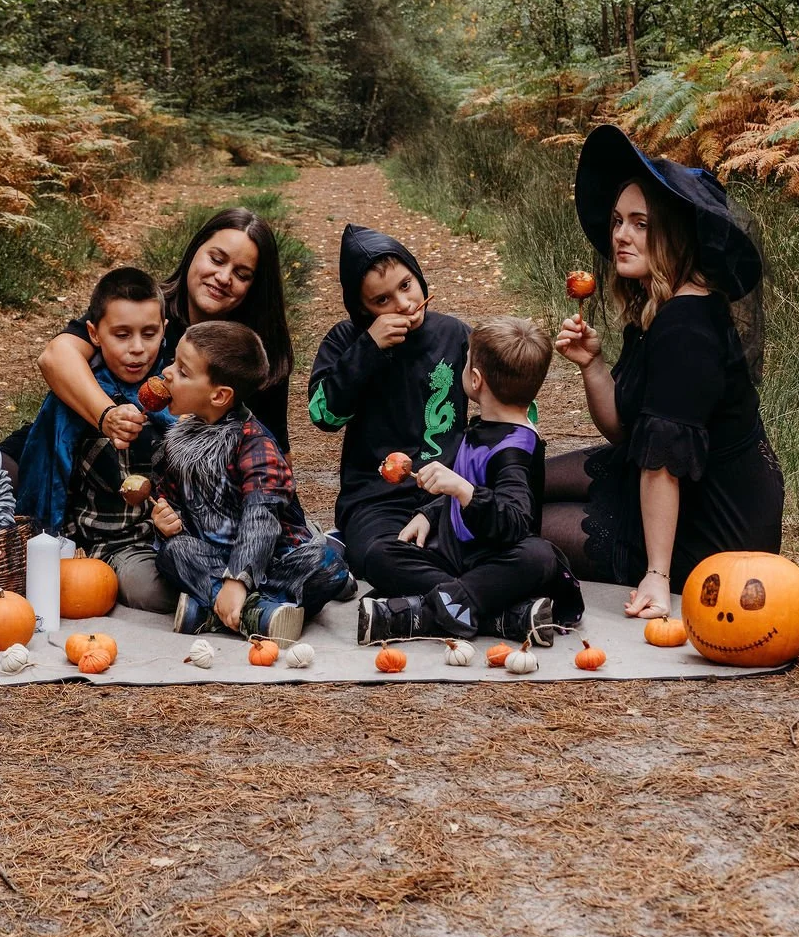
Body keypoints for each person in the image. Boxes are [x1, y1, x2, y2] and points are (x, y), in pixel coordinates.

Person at [544, 124, 784, 620]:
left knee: (520, 521)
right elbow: (624, 431)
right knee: (518, 484)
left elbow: (663, 462)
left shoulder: (686, 327)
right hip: (678, 490)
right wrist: (593, 365)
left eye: (640, 224)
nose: (620, 235)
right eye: (617, 221)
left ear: (673, 233)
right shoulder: (661, 307)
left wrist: (657, 574)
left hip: (714, 527)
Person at [0, 207, 294, 486]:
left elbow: (275, 452)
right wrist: (107, 416)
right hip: (67, 448)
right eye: (216, 259)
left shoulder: (256, 352)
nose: (223, 277)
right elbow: (55, 356)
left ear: (255, 285)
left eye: (242, 274)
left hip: (171, 484)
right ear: (194, 251)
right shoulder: (144, 308)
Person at [357, 317, 584, 645]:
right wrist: (429, 514)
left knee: (539, 556)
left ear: (475, 379)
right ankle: (499, 616)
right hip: (457, 558)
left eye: (465, 363)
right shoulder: (482, 427)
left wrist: (463, 490)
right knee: (379, 554)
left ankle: (424, 612)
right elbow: (466, 485)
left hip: (500, 564)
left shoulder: (516, 448)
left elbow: (515, 522)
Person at [153, 321, 352, 643]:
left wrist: (238, 579)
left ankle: (215, 608)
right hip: (215, 556)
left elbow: (262, 518)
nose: (167, 372)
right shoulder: (179, 441)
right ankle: (258, 613)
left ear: (219, 395)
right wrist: (167, 519)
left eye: (182, 371)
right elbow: (171, 498)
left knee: (328, 566)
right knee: (173, 552)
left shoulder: (255, 445)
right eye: (173, 362)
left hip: (274, 559)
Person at [308, 223, 470, 590]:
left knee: (496, 532)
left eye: (406, 285)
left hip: (449, 488)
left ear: (417, 275)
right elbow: (323, 415)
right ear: (361, 308)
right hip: (376, 499)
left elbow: (502, 396)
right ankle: (467, 594)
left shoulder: (453, 334)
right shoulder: (346, 340)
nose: (404, 304)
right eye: (382, 301)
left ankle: (446, 590)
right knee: (379, 555)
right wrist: (367, 349)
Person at [14, 266, 176, 611]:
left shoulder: (175, 388)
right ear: (94, 334)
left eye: (149, 334)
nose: (137, 348)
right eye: (122, 335)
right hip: (111, 543)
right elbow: (50, 472)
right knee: (153, 591)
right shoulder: (81, 395)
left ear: (164, 329)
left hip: (173, 532)